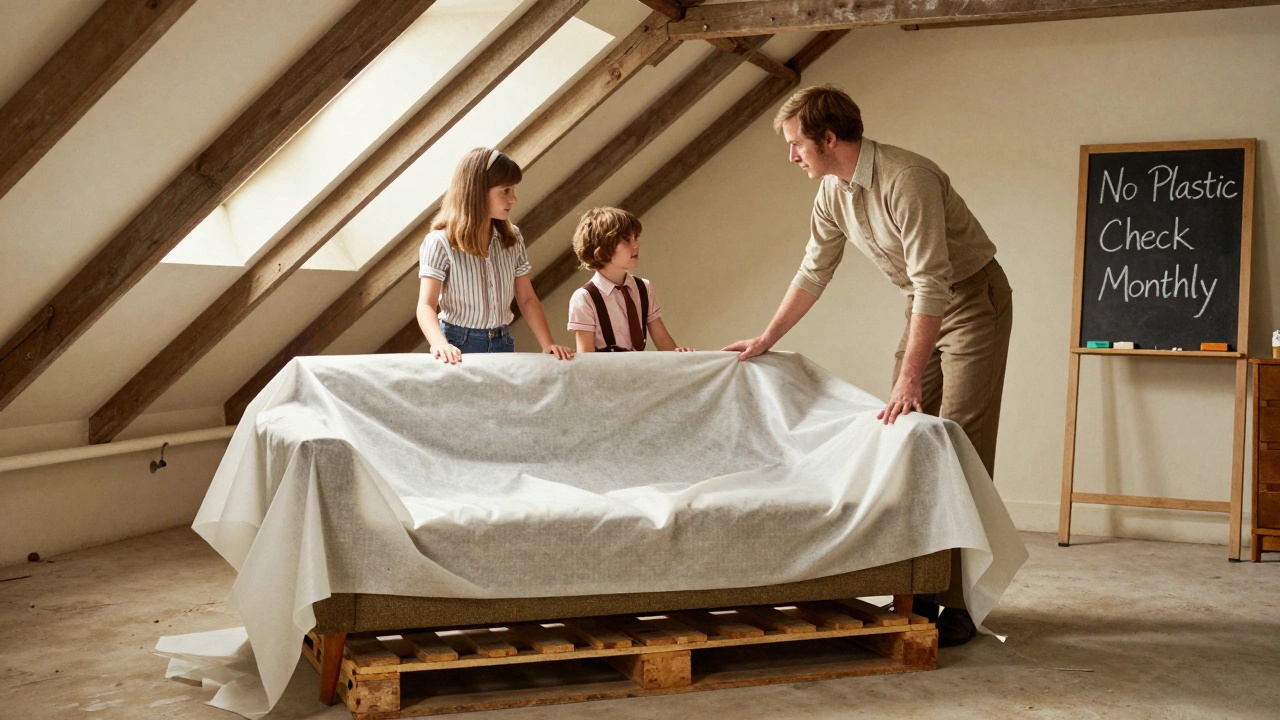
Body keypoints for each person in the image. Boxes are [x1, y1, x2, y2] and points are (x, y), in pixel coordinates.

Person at [722, 85, 1013, 646]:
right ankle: (916, 584)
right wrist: (765, 337)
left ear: (828, 139)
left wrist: (908, 374)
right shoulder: (832, 192)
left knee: (961, 442)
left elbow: (935, 280)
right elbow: (813, 272)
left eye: (795, 144)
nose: (791, 157)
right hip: (923, 306)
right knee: (908, 435)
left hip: (973, 302)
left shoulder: (908, 180)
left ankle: (958, 604)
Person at [417, 147, 575, 364]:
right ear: (477, 191)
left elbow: (527, 298)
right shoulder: (440, 242)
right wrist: (439, 343)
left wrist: (547, 344)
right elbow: (426, 305)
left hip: (502, 342)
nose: (514, 199)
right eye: (506, 191)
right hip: (458, 346)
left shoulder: (513, 238)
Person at [566, 207, 692, 353]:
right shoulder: (584, 298)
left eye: (636, 237)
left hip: (639, 370)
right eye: (626, 240)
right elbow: (586, 355)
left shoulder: (644, 288)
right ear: (600, 254)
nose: (636, 245)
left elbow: (662, 340)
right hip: (607, 373)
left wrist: (681, 356)